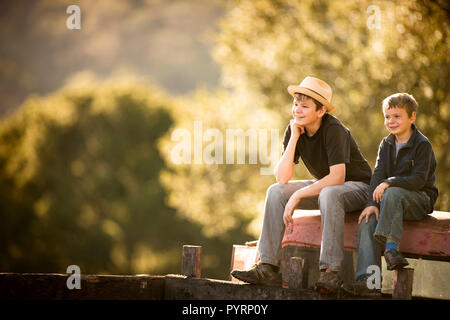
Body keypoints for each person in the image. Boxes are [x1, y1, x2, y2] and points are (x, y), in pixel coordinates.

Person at [231, 76, 372, 294]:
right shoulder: (295, 129)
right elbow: (282, 178)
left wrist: (297, 196)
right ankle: (268, 266)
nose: (297, 109)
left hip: (358, 188)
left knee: (329, 194)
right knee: (276, 192)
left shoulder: (334, 130)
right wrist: (294, 138)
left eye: (305, 106)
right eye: (296, 104)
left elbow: (337, 177)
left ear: (321, 111)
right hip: (327, 187)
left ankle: (331, 272)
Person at [341, 93, 438, 297]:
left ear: (412, 117)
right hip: (391, 202)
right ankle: (369, 282)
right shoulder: (386, 144)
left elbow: (419, 180)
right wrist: (370, 203)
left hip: (418, 200)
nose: (391, 122)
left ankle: (391, 248)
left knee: (392, 192)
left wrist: (389, 182)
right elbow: (377, 175)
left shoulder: (422, 145)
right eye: (387, 117)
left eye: (397, 116)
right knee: (368, 219)